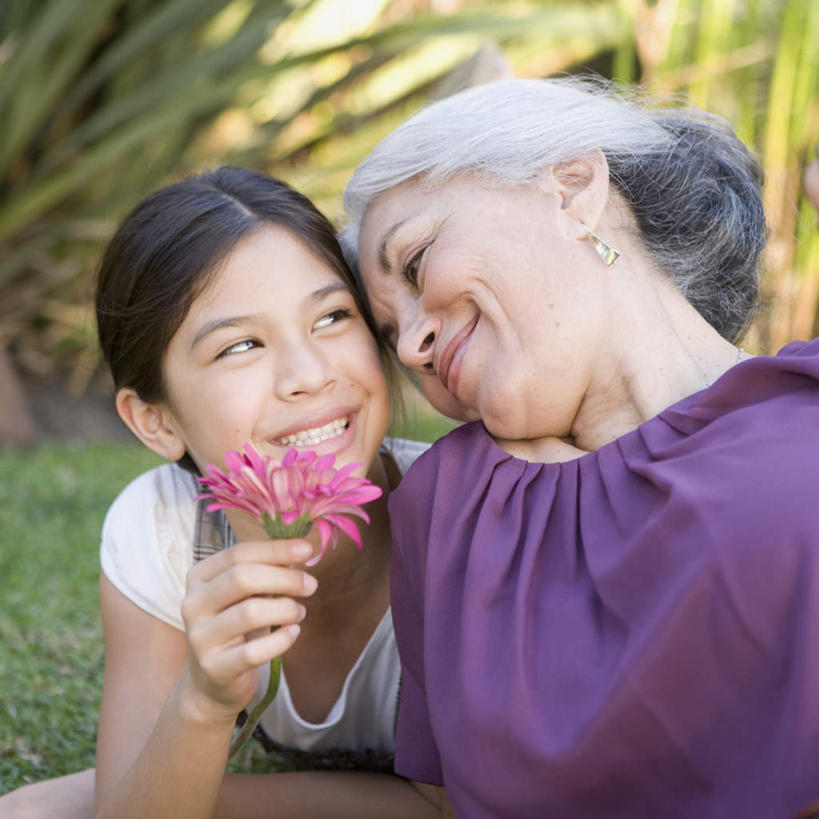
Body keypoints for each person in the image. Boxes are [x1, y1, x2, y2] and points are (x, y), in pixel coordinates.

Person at [342, 77, 819, 818]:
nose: (410, 344)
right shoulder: (449, 507)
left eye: (416, 262)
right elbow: (437, 806)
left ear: (571, 188)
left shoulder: (804, 416)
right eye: (388, 330)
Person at [0, 167, 439, 818]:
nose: (308, 374)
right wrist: (203, 700)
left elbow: (450, 807)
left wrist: (192, 800)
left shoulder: (463, 516)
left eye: (331, 316)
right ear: (156, 420)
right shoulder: (166, 530)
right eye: (241, 344)